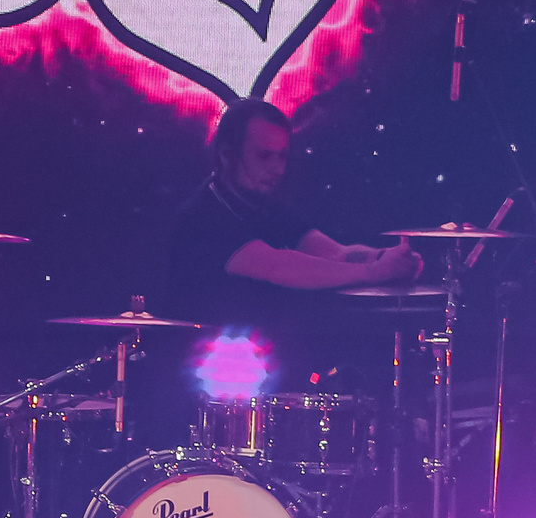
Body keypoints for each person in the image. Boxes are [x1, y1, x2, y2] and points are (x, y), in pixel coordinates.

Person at [161, 101, 423, 377]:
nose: (277, 169)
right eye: (264, 156)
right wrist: (373, 272)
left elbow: (334, 253)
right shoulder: (204, 217)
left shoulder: (265, 207)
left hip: (255, 369)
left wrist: (386, 257)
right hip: (198, 378)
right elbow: (278, 266)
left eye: (282, 156)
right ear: (227, 155)